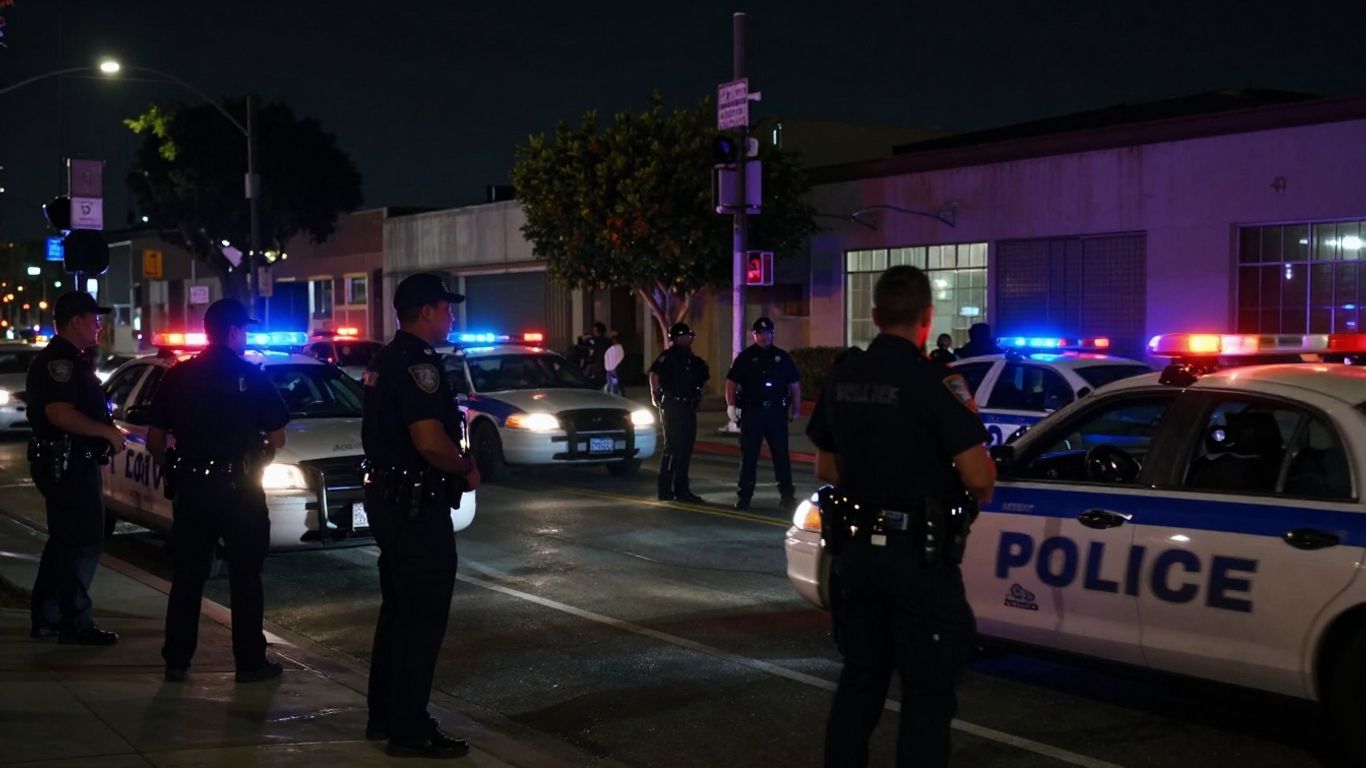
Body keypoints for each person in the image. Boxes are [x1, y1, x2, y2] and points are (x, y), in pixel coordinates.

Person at [808, 265, 995, 767]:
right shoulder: (935, 381)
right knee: (927, 698)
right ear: (927, 318)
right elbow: (979, 477)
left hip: (857, 561)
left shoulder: (843, 376)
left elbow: (826, 465)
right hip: (919, 563)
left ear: (874, 316)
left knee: (860, 681)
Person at [361, 273, 482, 759]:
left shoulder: (386, 359)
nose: (451, 317)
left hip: (391, 502)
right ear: (428, 311)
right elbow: (430, 441)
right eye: (446, 309)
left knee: (398, 611)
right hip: (415, 507)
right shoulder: (418, 364)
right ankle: (409, 727)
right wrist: (466, 468)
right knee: (421, 620)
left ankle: (385, 713)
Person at [146, 298, 291, 684]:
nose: (245, 337)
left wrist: (173, 465)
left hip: (193, 487)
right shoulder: (251, 374)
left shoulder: (177, 375)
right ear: (231, 332)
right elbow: (277, 434)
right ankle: (249, 663)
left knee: (188, 576)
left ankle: (176, 659)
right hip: (239, 488)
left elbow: (155, 439)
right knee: (246, 577)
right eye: (243, 329)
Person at [26, 292, 125, 645]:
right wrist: (106, 432)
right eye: (94, 318)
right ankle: (75, 622)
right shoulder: (61, 362)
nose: (99, 325)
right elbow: (60, 413)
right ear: (76, 321)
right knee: (82, 541)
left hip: (68, 461)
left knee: (65, 541)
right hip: (68, 463)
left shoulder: (72, 359)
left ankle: (49, 616)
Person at [725, 317, 801, 511]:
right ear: (754, 335)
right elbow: (731, 382)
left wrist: (797, 408)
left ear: (773, 334)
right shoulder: (745, 357)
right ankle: (744, 497)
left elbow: (794, 384)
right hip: (753, 411)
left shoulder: (782, 358)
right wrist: (731, 406)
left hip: (776, 412)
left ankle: (787, 496)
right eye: (759, 332)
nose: (763, 336)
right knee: (749, 456)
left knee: (781, 456)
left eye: (767, 332)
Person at [648, 322, 709, 503]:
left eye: (689, 335)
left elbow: (701, 380)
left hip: (688, 407)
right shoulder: (668, 356)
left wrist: (698, 395)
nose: (686, 338)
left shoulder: (693, 360)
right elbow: (654, 374)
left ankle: (682, 489)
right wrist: (655, 394)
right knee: (672, 448)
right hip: (672, 406)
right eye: (682, 335)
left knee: (686, 449)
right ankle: (665, 488)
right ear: (674, 338)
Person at [582, 321, 609, 389]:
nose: (593, 333)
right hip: (605, 367)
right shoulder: (607, 341)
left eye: (594, 331)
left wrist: (586, 339)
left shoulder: (596, 341)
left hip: (599, 366)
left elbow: (589, 343)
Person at [603, 329, 626, 396]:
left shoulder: (618, 349)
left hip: (614, 371)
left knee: (614, 388)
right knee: (612, 388)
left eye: (614, 337)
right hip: (611, 371)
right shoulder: (612, 348)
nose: (613, 339)